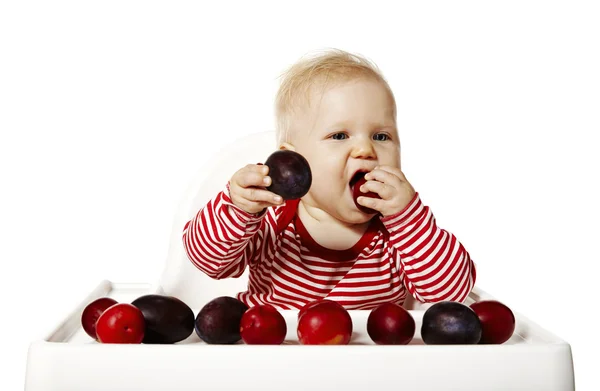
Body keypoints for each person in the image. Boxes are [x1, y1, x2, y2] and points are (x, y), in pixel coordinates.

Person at [182, 48, 476, 310]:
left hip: (374, 368)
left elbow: (451, 294)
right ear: (294, 162)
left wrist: (408, 218)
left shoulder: (399, 237)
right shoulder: (273, 222)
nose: (365, 149)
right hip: (272, 358)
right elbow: (207, 261)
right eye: (339, 136)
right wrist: (239, 208)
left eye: (381, 136)